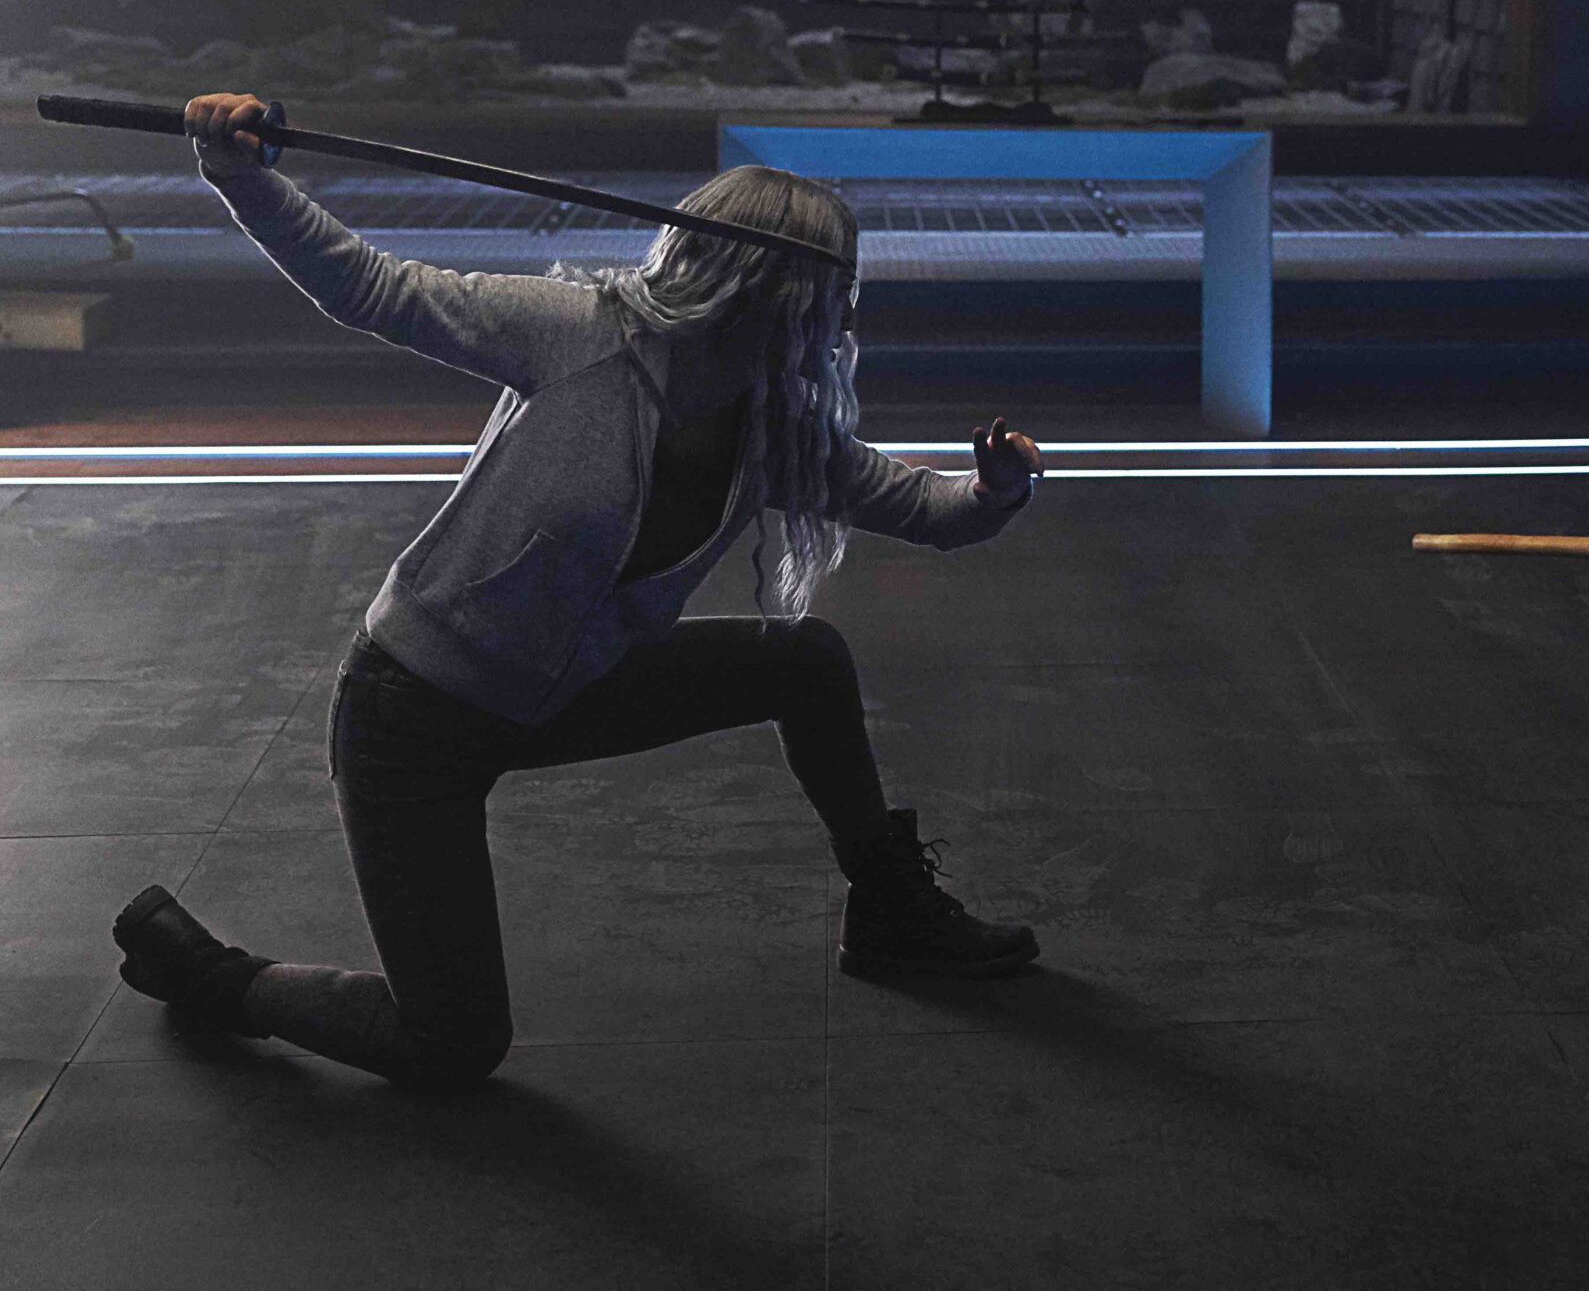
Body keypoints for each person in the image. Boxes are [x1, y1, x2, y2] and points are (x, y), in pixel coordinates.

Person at [111, 92, 1045, 1092]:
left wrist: (997, 489)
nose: (842, 318)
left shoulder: (771, 424)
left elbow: (924, 507)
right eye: (832, 292)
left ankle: (891, 910)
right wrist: (241, 173)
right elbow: (369, 286)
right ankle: (210, 975)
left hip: (570, 691)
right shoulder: (578, 334)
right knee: (452, 1041)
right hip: (415, 718)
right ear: (771, 288)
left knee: (806, 661)